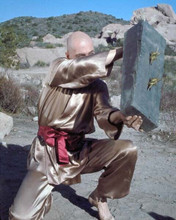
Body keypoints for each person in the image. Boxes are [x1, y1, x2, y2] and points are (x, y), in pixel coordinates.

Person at [9, 31, 143, 220]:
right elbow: (81, 68)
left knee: (127, 149)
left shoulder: (98, 86)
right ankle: (43, 196)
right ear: (68, 56)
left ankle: (100, 198)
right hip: (47, 153)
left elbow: (104, 113)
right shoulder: (58, 68)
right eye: (81, 56)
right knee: (19, 217)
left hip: (78, 150)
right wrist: (126, 51)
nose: (88, 59)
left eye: (92, 54)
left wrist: (122, 116)